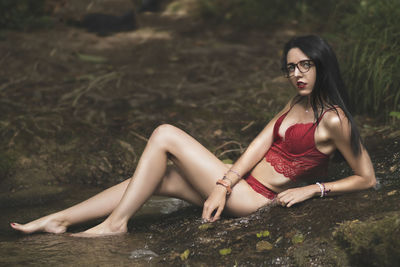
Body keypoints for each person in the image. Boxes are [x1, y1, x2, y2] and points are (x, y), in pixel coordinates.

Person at [10, 35, 376, 237]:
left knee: (165, 133)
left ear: (321, 65)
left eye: (305, 65)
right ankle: (59, 219)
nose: (297, 74)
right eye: (291, 67)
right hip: (241, 183)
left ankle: (115, 225)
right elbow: (260, 143)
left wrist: (315, 189)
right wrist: (224, 182)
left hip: (256, 198)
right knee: (158, 176)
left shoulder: (333, 120)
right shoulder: (296, 100)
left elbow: (367, 178)